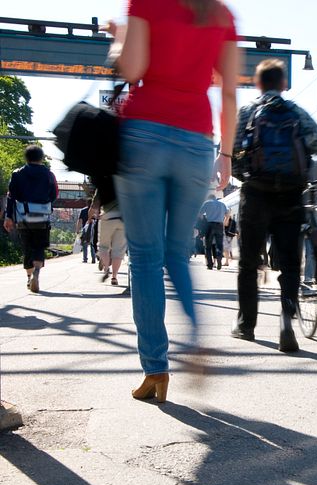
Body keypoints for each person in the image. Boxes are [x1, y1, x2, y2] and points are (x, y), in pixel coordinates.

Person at [106, 0, 238, 404]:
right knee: (177, 254)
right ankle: (196, 337)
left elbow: (131, 69)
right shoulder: (220, 14)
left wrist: (119, 38)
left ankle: (156, 368)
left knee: (146, 256)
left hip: (144, 131)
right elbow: (230, 93)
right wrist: (226, 155)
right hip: (196, 139)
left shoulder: (146, 1)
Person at [231, 59, 317, 352]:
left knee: (247, 264)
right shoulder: (297, 113)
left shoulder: (247, 111)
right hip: (291, 196)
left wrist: (244, 175)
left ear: (257, 84)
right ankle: (286, 326)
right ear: (283, 84)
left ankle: (246, 325)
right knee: (291, 265)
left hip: (254, 195)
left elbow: (233, 155)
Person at [3, 145, 58, 293]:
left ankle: (28, 278)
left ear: (26, 157)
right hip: (42, 217)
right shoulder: (49, 174)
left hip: (23, 217)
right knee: (39, 246)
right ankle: (37, 272)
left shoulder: (17, 174)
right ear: (41, 158)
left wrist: (8, 217)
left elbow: (10, 197)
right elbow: (54, 195)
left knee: (27, 247)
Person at [90, 176, 126, 286]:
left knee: (103, 246)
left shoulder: (104, 184)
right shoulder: (126, 182)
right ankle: (114, 277)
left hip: (107, 216)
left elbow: (95, 205)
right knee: (118, 251)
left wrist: (90, 217)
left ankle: (106, 269)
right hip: (123, 219)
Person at [199, 194, 228, 270]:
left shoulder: (207, 203)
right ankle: (219, 259)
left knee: (208, 246)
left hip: (209, 225)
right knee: (219, 245)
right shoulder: (222, 204)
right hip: (220, 226)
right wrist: (224, 221)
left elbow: (200, 214)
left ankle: (210, 265)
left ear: (209, 198)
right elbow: (227, 214)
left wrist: (203, 221)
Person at [77, 199, 96, 264]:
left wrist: (77, 230)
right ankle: (93, 259)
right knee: (92, 244)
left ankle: (85, 259)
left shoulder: (83, 210)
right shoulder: (95, 211)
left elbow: (79, 221)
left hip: (85, 229)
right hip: (93, 229)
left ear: (87, 203)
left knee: (85, 244)